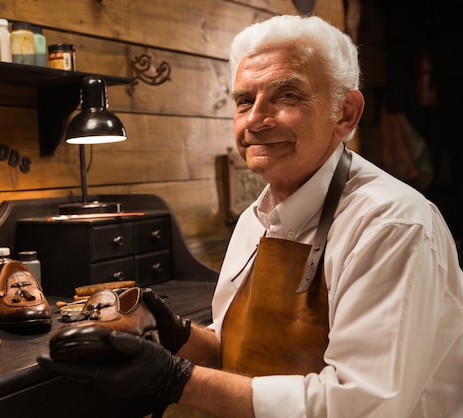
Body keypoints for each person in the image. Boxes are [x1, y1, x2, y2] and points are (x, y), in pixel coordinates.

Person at [38, 14, 463, 417]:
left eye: (287, 95)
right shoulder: (255, 219)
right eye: (244, 100)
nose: (256, 119)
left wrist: (174, 379)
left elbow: (362, 406)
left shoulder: (391, 225)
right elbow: (243, 353)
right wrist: (179, 336)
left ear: (345, 113)